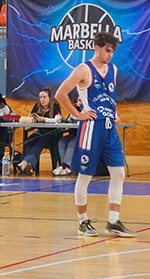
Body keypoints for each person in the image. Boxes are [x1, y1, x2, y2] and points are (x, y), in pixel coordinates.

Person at [54, 32, 135, 238]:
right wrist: (78, 115)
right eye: (107, 50)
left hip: (109, 127)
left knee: (118, 173)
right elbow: (60, 94)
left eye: (113, 51)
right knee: (85, 175)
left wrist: (114, 112)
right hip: (91, 127)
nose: (110, 55)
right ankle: (83, 222)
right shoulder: (84, 69)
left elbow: (109, 95)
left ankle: (114, 221)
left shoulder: (113, 69)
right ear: (96, 47)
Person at [18, 87, 62, 175]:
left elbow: (57, 120)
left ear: (49, 98)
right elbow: (31, 117)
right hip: (39, 132)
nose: (42, 99)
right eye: (40, 97)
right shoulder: (37, 106)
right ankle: (30, 167)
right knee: (28, 141)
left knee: (40, 142)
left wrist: (44, 119)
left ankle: (26, 162)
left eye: (44, 97)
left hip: (51, 133)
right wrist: (31, 118)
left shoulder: (55, 106)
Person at [54, 98, 84, 176]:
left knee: (72, 142)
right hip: (72, 134)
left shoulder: (87, 111)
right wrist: (62, 122)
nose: (80, 103)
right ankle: (63, 166)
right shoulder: (73, 112)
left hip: (82, 135)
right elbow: (68, 123)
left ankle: (68, 166)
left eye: (82, 100)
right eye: (79, 100)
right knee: (62, 141)